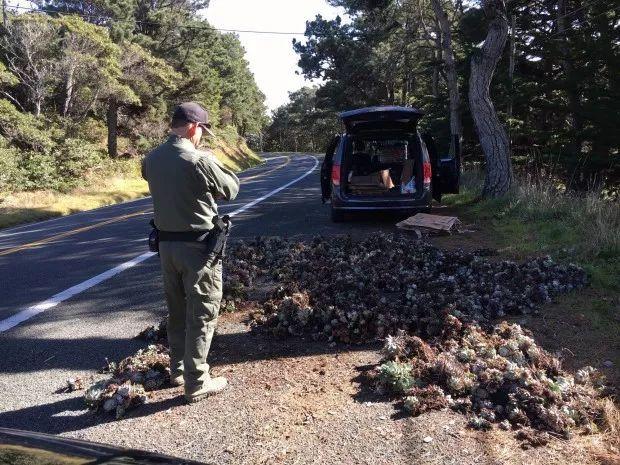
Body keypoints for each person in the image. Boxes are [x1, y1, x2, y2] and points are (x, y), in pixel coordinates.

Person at [141, 102, 240, 403]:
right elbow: (232, 189)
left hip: (166, 248)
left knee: (177, 311)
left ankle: (178, 370)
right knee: (203, 311)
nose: (202, 137)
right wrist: (212, 160)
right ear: (195, 127)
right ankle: (197, 381)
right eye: (202, 131)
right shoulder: (198, 159)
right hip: (198, 250)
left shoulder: (151, 159)